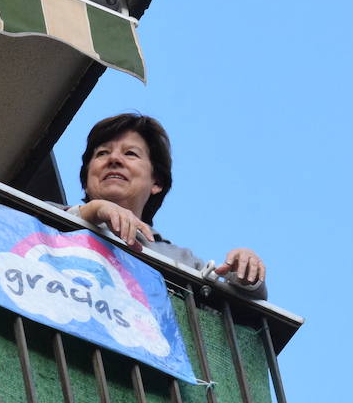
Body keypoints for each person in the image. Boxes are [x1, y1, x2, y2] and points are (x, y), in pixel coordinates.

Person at [69, 113, 267, 299]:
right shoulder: (44, 216)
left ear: (156, 183)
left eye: (130, 153)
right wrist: (91, 212)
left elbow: (237, 312)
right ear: (86, 180)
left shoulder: (181, 259)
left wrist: (246, 274)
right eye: (102, 153)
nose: (114, 159)